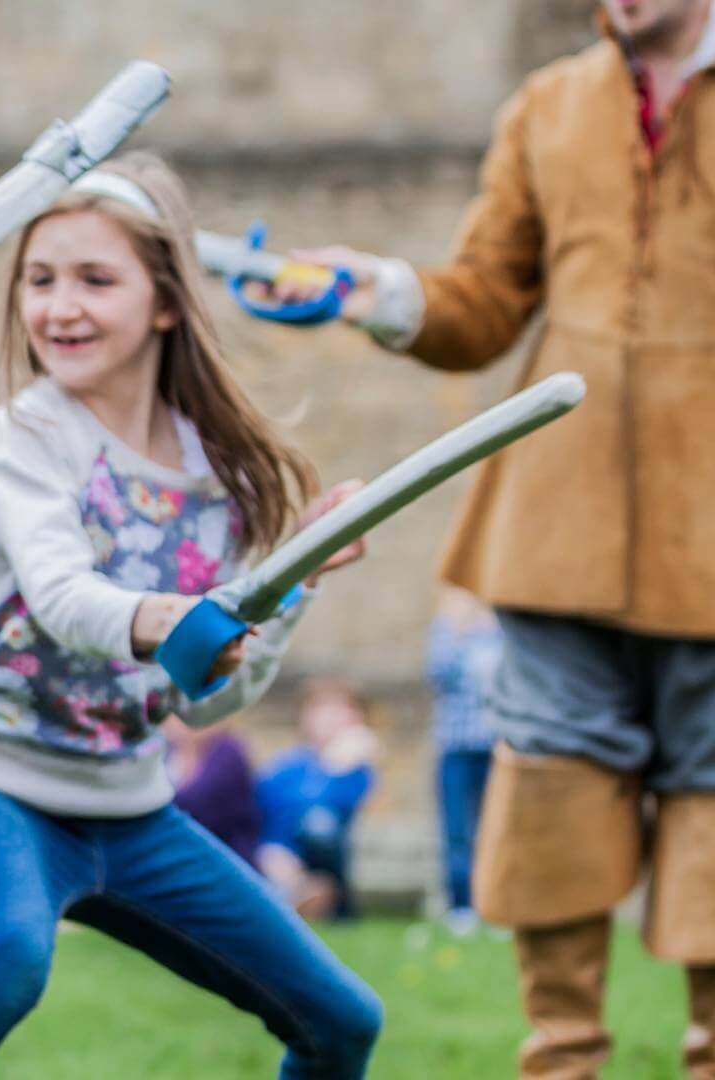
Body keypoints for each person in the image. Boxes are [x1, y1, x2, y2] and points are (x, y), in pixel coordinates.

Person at [269, 0, 715, 1070]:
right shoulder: (550, 105)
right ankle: (562, 1059)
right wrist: (368, 288)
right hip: (558, 528)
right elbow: (481, 304)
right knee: (552, 800)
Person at [0, 153, 381, 1080]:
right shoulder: (27, 434)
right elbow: (65, 600)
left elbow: (206, 704)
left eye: (95, 280)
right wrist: (175, 615)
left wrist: (294, 584)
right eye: (40, 279)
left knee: (343, 1020)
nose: (60, 305)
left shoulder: (217, 473)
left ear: (166, 303)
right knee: (8, 958)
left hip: (130, 808)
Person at [254, 680, 379, 922]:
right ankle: (296, 897)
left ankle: (309, 898)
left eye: (340, 711)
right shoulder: (287, 765)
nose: (330, 719)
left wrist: (335, 763)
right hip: (275, 851)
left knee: (318, 824)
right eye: (322, 710)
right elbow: (259, 804)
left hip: (319, 855)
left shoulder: (354, 769)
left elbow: (329, 804)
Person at [428, 586, 502, 936]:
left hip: (499, 748)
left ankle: (497, 907)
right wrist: (456, 627)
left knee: (497, 830)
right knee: (458, 831)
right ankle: (462, 906)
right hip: (456, 747)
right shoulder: (449, 629)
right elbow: (438, 674)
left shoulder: (505, 630)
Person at [163, 716, 262, 867]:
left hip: (228, 858)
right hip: (184, 856)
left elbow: (197, 803)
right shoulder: (170, 753)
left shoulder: (228, 751)